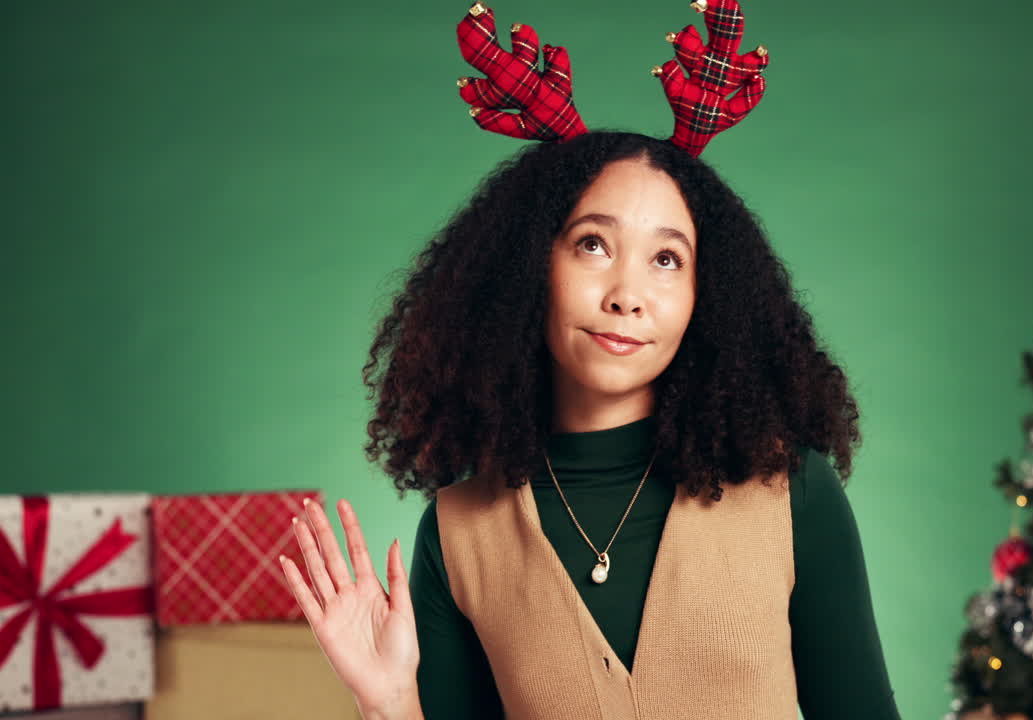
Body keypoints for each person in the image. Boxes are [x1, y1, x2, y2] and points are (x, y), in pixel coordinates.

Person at [281, 2, 902, 718]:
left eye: (667, 259)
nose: (628, 294)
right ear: (526, 270)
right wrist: (390, 704)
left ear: (708, 295)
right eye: (593, 245)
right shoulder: (459, 533)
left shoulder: (793, 493)